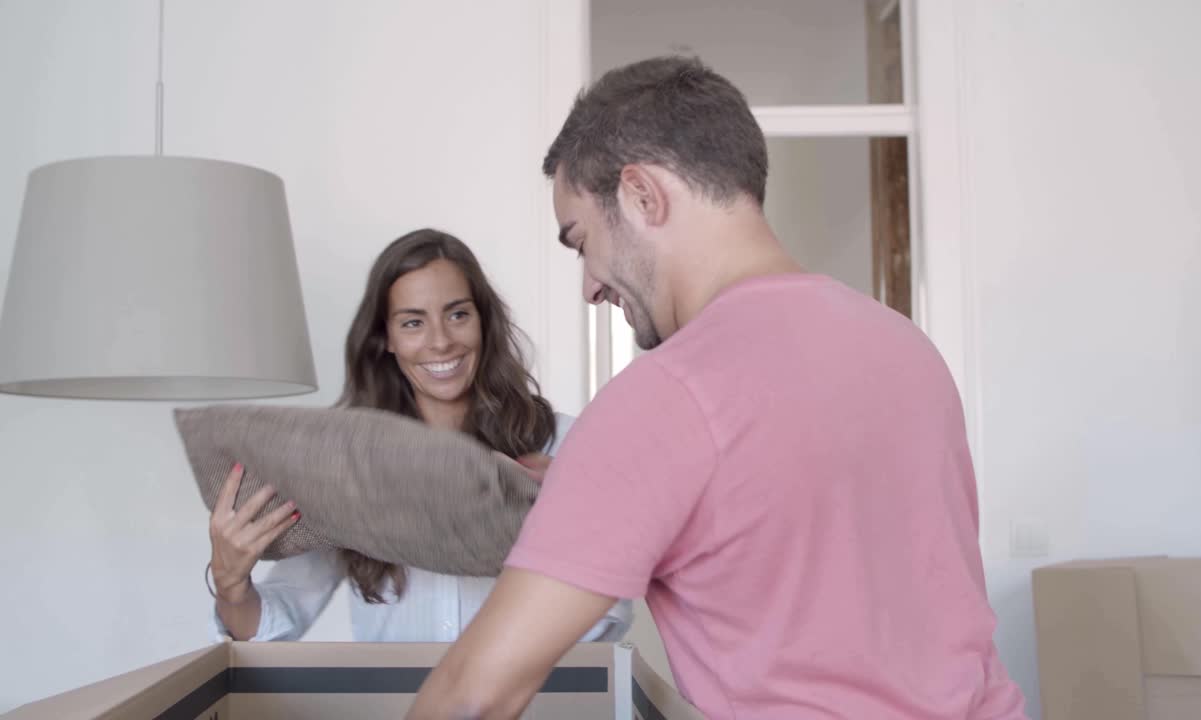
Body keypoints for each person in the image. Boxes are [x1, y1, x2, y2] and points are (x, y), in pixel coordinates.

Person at [407, 57, 1027, 719]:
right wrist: (576, 487)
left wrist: (604, 468)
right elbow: (808, 525)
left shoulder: (663, 398)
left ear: (643, 195)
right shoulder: (906, 349)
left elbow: (476, 695)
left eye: (580, 240)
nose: (589, 284)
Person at [203, 228, 632, 644]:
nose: (441, 342)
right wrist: (230, 583)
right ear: (385, 338)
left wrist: (542, 520)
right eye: (413, 323)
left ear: (484, 323)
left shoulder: (566, 444)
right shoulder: (344, 467)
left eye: (458, 315)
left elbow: (608, 619)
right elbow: (271, 626)